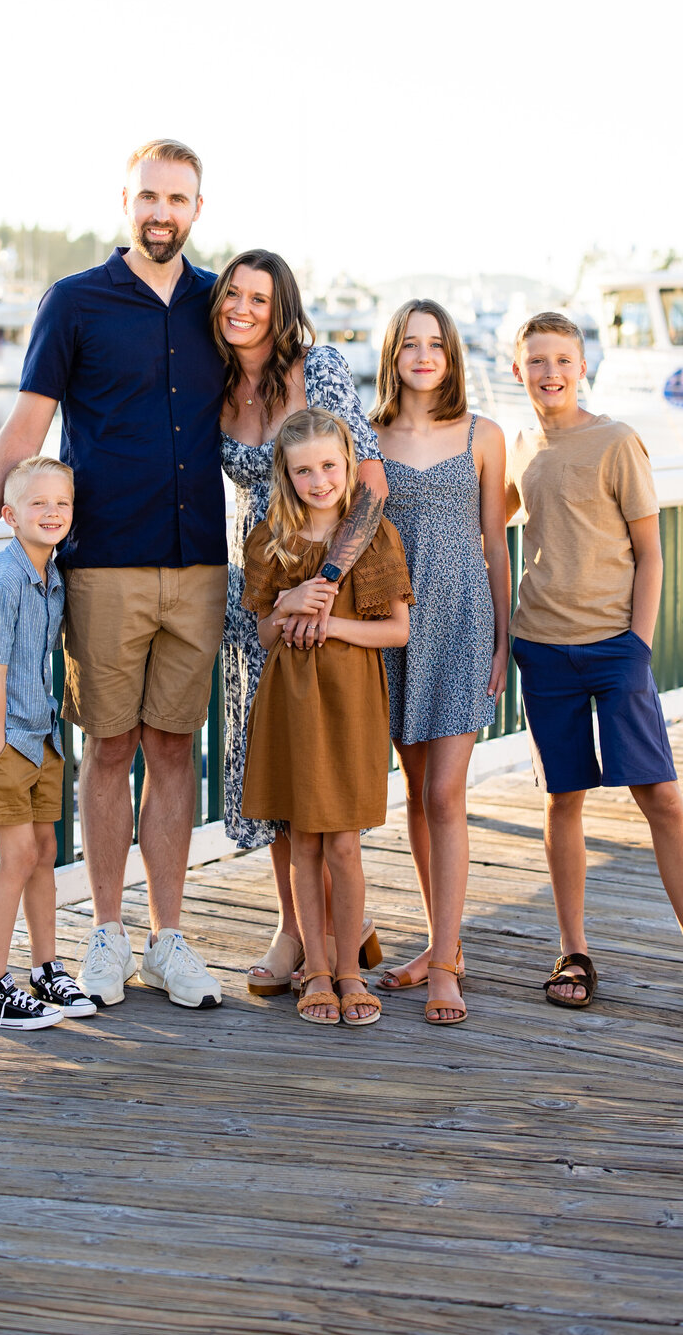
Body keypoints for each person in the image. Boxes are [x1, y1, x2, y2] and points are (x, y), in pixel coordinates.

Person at [0, 140, 228, 1011]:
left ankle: (169, 940)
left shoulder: (220, 305)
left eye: (178, 199)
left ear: (196, 209)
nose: (162, 212)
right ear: (126, 200)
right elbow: (25, 427)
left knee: (175, 749)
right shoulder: (74, 303)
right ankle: (106, 935)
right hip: (103, 565)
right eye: (149, 196)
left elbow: (276, 409)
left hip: (200, 566)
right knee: (109, 748)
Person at [505, 312, 683, 1036]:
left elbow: (650, 550)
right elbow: (491, 525)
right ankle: (573, 953)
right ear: (517, 370)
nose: (549, 372)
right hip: (542, 648)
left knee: (663, 799)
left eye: (561, 359)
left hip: (616, 648)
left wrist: (638, 646)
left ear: (582, 366)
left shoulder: (615, 441)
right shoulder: (522, 447)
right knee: (565, 799)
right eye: (535, 361)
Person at [215, 251, 388, 997]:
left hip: (327, 579)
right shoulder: (215, 384)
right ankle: (301, 931)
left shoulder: (316, 369)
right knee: (281, 769)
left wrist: (323, 586)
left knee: (328, 778)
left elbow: (370, 485)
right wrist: (278, 600)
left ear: (281, 305)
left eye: (260, 296)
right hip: (261, 582)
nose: (244, 307)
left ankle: (328, 946)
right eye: (232, 294)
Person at [241, 410, 413, 1026]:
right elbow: (263, 632)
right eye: (304, 470)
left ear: (348, 464)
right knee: (304, 841)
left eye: (330, 467)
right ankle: (314, 967)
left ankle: (349, 970)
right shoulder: (272, 539)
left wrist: (329, 621)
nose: (319, 480)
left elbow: (397, 630)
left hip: (350, 700)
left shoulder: (375, 535)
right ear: (286, 476)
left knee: (344, 841)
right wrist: (289, 603)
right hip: (291, 700)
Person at [371, 300, 510, 1026]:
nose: (424, 356)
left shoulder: (484, 434)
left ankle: (448, 965)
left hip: (461, 626)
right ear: (393, 354)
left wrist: (503, 637)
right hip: (395, 629)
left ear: (452, 354)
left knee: (447, 795)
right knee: (418, 794)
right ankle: (435, 943)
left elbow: (494, 540)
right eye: (410, 345)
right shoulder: (366, 436)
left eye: (436, 344)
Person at [0, 456, 97, 1028]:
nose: (52, 512)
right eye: (38, 503)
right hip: (3, 740)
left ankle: (45, 969)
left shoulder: (53, 575)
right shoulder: (4, 577)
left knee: (43, 854)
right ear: (10, 515)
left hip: (39, 735)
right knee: (16, 858)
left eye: (61, 503)